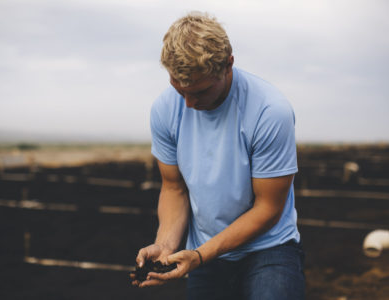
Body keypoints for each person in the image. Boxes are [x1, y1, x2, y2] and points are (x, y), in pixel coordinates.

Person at [131, 11, 305, 300]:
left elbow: (268, 208)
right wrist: (165, 245)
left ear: (228, 65)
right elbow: (174, 188)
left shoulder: (270, 112)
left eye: (199, 91)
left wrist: (199, 256)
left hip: (269, 249)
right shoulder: (164, 108)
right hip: (203, 250)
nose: (187, 103)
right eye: (178, 88)